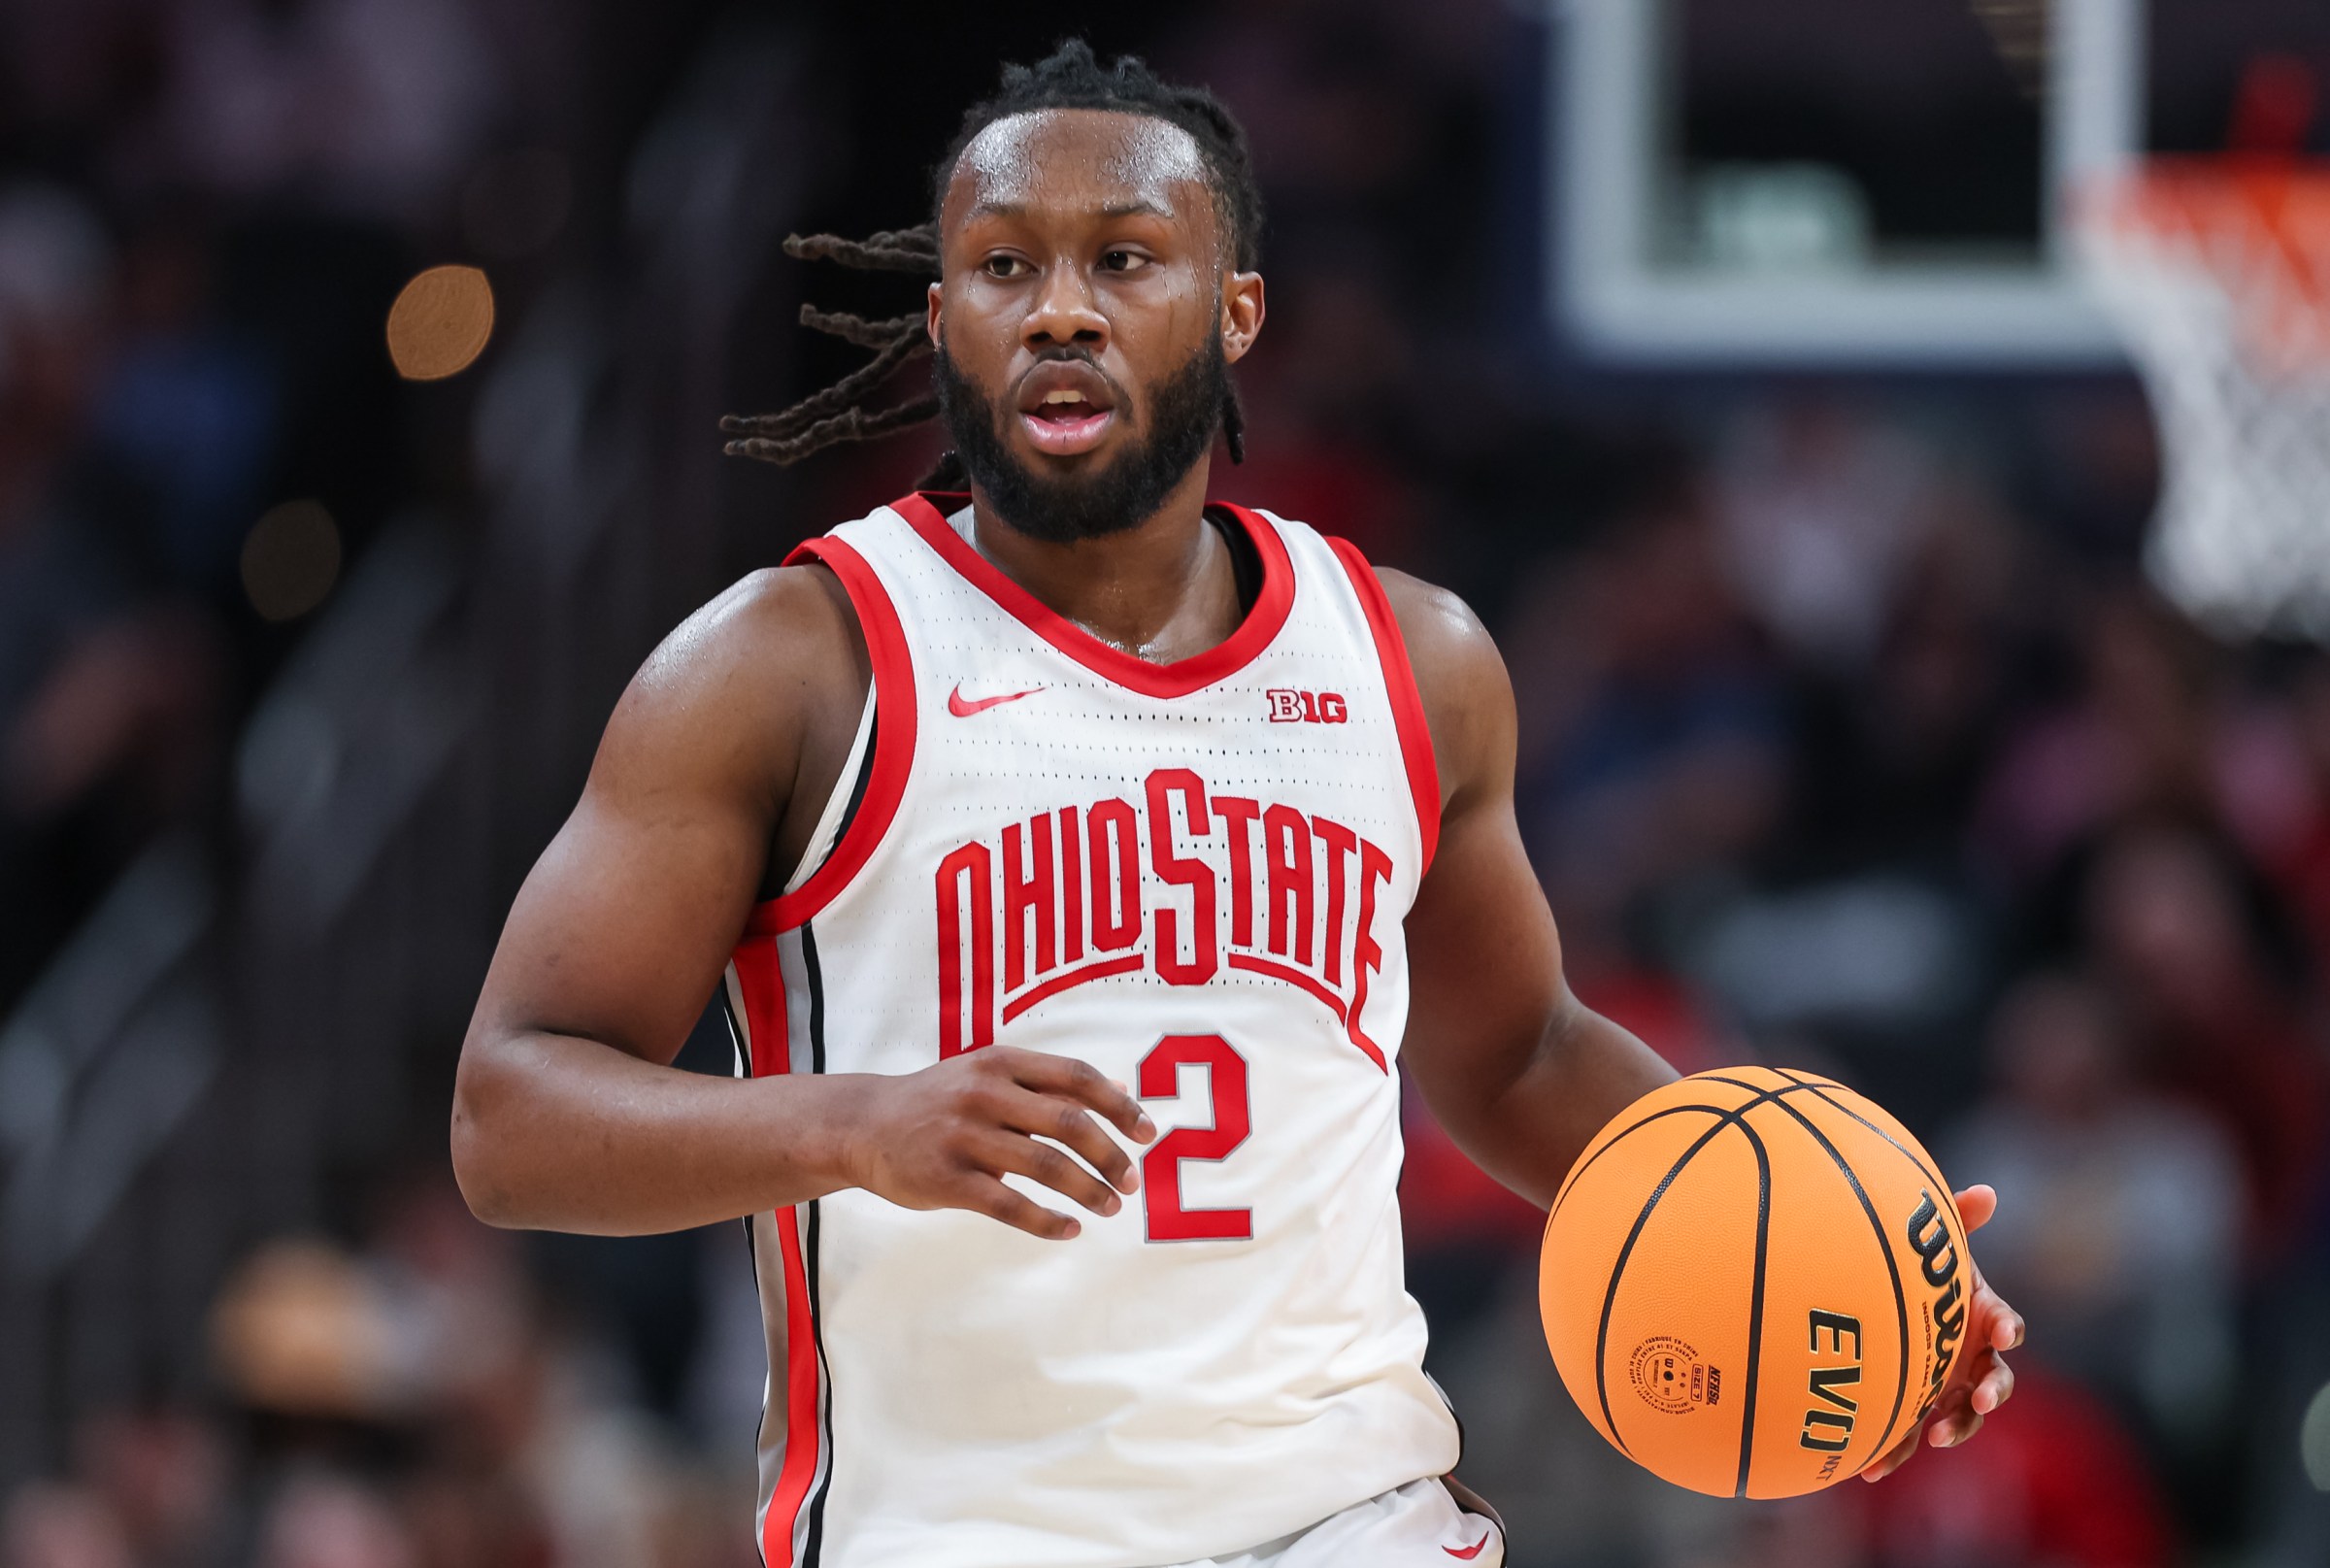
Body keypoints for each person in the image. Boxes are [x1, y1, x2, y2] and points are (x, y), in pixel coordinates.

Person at [449, 43, 2021, 1568]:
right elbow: (509, 1116)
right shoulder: (793, 665)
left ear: (1235, 307)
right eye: (1005, 268)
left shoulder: (1413, 659)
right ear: (944, 323)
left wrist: (1845, 1260)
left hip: (1352, 1514)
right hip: (964, 1532)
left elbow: (1517, 1051)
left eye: (1126, 259)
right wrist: (855, 1125)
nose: (1061, 309)